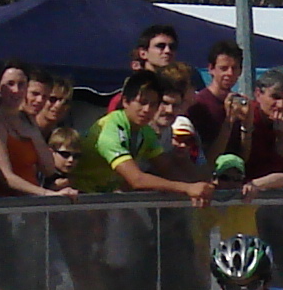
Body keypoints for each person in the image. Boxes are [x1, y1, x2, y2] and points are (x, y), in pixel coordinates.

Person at [72, 70, 213, 202]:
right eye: (142, 102)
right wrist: (187, 188)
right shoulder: (111, 130)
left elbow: (167, 168)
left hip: (104, 197)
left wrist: (199, 189)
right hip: (78, 198)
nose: (147, 110)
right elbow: (137, 180)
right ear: (125, 101)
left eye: (153, 104)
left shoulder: (146, 132)